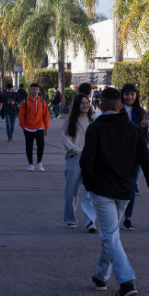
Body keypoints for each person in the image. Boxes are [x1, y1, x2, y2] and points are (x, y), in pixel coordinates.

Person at [80, 87, 149, 296]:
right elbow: (147, 162)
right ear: (120, 106)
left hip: (102, 190)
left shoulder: (95, 128)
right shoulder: (133, 130)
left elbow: (86, 161)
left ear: (100, 106)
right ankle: (101, 276)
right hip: (125, 191)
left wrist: (89, 184)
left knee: (110, 235)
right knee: (112, 235)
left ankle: (127, 282)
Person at [62, 93, 97, 232]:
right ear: (77, 105)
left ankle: (90, 222)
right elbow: (66, 139)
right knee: (71, 193)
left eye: (87, 102)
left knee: (89, 193)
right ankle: (70, 219)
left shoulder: (93, 121)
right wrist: (77, 150)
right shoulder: (71, 121)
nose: (85, 105)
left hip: (91, 161)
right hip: (74, 160)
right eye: (82, 103)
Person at [119, 84, 149, 231]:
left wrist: (143, 127)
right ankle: (115, 215)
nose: (129, 97)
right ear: (122, 95)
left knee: (131, 187)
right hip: (118, 155)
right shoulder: (117, 111)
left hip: (135, 156)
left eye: (132, 94)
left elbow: (142, 138)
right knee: (116, 185)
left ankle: (127, 218)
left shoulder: (141, 112)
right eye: (126, 94)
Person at [19, 84, 50, 172]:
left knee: (41, 144)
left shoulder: (42, 102)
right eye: (33, 89)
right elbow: (21, 116)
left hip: (39, 127)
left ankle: (39, 162)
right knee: (29, 146)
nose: (35, 91)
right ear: (30, 90)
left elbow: (46, 116)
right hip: (28, 128)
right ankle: (30, 164)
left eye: (37, 89)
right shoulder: (25, 102)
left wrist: (46, 128)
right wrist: (23, 128)